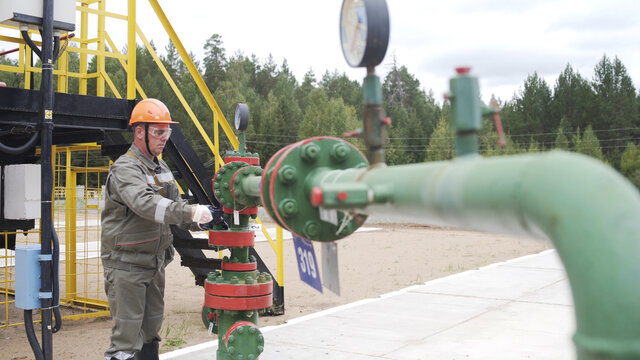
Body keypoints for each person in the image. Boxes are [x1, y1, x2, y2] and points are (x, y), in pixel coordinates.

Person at [101, 98, 222, 360]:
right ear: (139, 132)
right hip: (126, 265)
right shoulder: (125, 168)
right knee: (126, 340)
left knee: (150, 333)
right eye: (158, 131)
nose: (165, 138)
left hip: (153, 264)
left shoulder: (161, 167)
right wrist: (191, 211)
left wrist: (203, 218)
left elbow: (174, 206)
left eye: (167, 131)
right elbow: (146, 205)